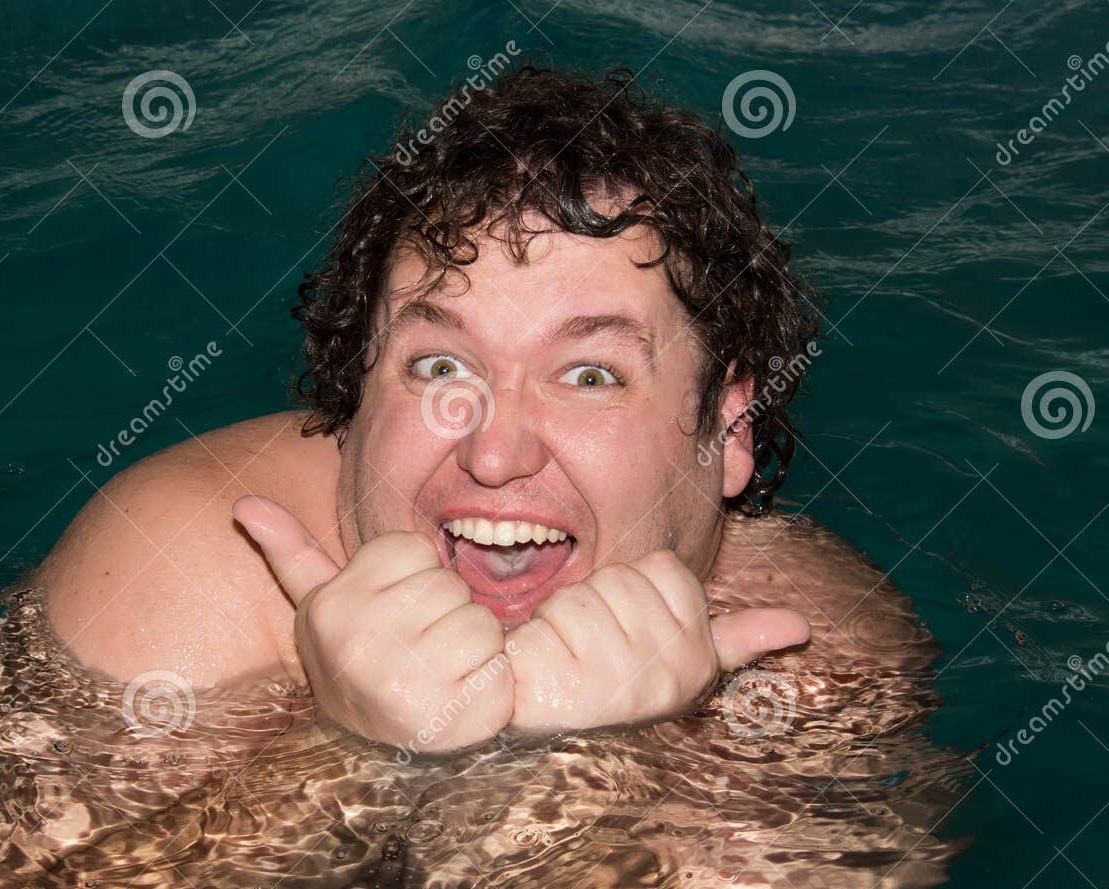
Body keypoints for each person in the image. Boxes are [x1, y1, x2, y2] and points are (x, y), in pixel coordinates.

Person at [43, 65, 825, 754]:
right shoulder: (181, 573)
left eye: (590, 375)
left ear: (727, 426)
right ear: (356, 391)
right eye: (440, 366)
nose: (494, 453)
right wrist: (355, 750)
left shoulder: (812, 641)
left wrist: (607, 761)